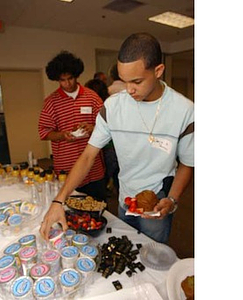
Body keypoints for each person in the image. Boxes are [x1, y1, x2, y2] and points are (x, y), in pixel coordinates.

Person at [40, 33, 194, 244]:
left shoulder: (184, 111)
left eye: (137, 81)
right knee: (126, 246)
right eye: (124, 81)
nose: (129, 90)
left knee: (153, 253)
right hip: (125, 198)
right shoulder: (112, 107)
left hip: (158, 200)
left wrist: (173, 199)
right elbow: (87, 157)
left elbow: (187, 163)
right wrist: (59, 200)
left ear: (158, 71)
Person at [38, 51, 107, 200]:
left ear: (76, 75)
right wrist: (62, 135)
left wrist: (93, 128)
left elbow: (108, 126)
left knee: (99, 208)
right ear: (57, 79)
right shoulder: (51, 102)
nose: (67, 83)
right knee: (73, 213)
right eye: (62, 80)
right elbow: (44, 132)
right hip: (67, 169)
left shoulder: (92, 97)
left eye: (70, 78)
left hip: (93, 168)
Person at [85, 79, 120, 193]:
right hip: (113, 146)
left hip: (109, 146)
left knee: (107, 173)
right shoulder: (110, 103)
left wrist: (94, 128)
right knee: (117, 175)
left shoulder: (107, 105)